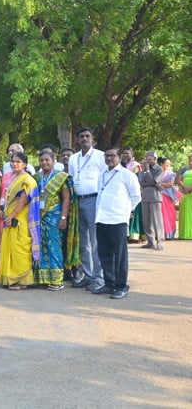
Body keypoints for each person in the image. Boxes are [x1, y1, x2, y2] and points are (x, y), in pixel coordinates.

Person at [93, 146, 141, 299]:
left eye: (112, 156)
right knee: (104, 253)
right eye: (106, 156)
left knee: (119, 255)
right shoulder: (102, 175)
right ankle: (109, 283)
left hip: (118, 220)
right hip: (101, 219)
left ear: (120, 158)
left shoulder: (127, 175)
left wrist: (125, 212)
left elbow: (136, 197)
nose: (109, 158)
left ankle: (121, 286)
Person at [68, 126, 106, 291]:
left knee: (95, 240)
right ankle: (87, 276)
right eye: (81, 136)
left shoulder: (100, 156)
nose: (84, 139)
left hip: (94, 200)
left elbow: (105, 179)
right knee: (82, 241)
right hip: (78, 201)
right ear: (77, 139)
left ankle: (99, 277)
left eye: (87, 136)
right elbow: (71, 179)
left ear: (92, 139)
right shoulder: (73, 158)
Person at [0, 152, 41, 290]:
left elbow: (22, 200)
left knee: (20, 248)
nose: (15, 164)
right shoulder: (13, 178)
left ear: (25, 164)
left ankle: (21, 279)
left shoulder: (27, 180)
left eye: (18, 162)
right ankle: (10, 278)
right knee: (10, 246)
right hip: (10, 216)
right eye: (13, 161)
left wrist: (12, 216)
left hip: (20, 218)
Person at [34, 150, 77, 290]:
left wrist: (63, 218)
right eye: (42, 160)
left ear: (53, 160)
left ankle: (57, 280)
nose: (44, 162)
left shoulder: (61, 177)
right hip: (39, 217)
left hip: (55, 216)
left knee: (54, 246)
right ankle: (44, 278)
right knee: (41, 246)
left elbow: (66, 199)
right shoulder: (36, 177)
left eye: (47, 159)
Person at [138, 151, 165, 251]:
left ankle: (160, 242)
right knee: (146, 220)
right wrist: (146, 172)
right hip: (145, 195)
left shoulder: (159, 169)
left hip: (155, 197)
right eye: (146, 157)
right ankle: (150, 241)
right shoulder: (144, 169)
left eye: (149, 157)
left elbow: (154, 181)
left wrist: (148, 171)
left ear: (155, 158)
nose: (147, 159)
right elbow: (141, 181)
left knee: (157, 220)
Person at [122, 147, 143, 243]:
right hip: (124, 193)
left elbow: (135, 179)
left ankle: (134, 235)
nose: (125, 155)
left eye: (127, 153)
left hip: (133, 192)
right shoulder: (123, 165)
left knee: (134, 214)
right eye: (124, 153)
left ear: (132, 154)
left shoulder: (136, 166)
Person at [159, 158, 179, 240]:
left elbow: (170, 184)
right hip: (159, 195)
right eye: (166, 163)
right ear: (162, 164)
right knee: (161, 215)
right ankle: (161, 234)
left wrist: (159, 184)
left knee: (169, 215)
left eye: (169, 164)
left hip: (168, 196)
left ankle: (169, 234)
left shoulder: (171, 174)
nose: (168, 165)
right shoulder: (159, 172)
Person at [176, 155, 192, 239]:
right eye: (189, 161)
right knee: (185, 214)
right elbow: (179, 180)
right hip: (185, 194)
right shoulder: (184, 170)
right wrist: (185, 187)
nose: (190, 162)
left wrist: (190, 188)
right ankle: (185, 234)